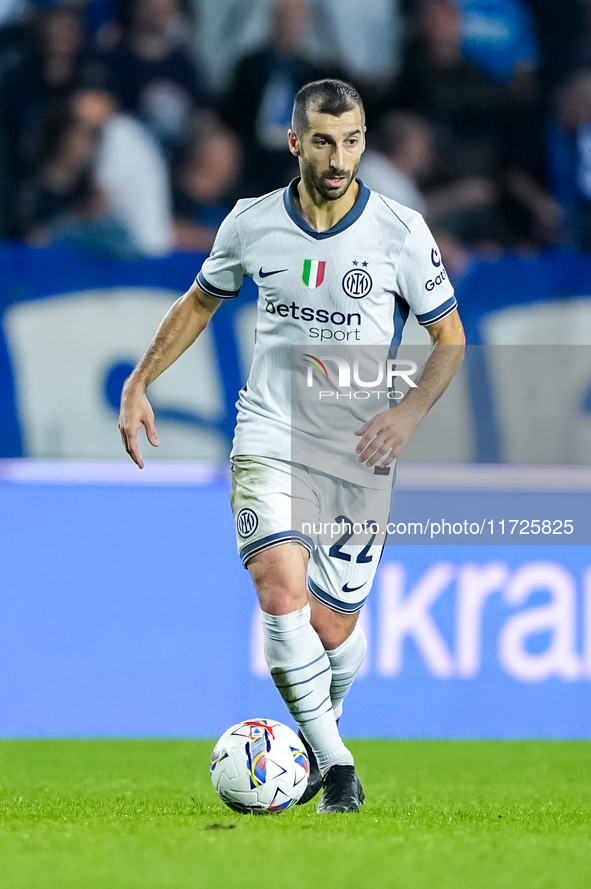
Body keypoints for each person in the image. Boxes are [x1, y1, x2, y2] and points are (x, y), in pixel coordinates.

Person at [118, 79, 465, 813]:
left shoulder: (400, 232)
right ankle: (338, 767)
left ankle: (314, 739)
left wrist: (406, 414)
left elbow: (448, 339)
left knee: (332, 627)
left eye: (351, 140)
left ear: (363, 141)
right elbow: (198, 302)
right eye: (322, 141)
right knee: (280, 589)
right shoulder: (250, 224)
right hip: (269, 432)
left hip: (358, 452)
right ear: (293, 141)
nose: (337, 158)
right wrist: (139, 381)